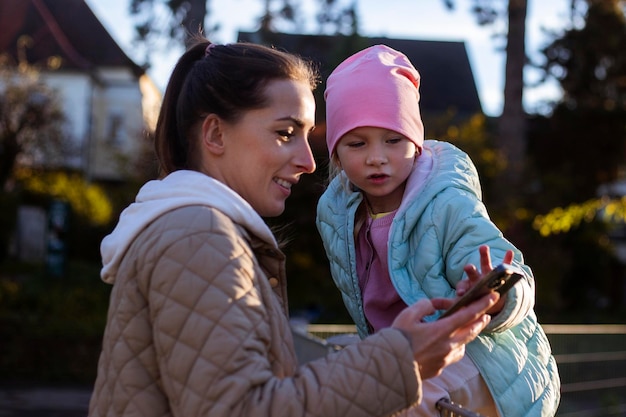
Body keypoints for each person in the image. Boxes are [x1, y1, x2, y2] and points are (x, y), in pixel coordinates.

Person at [88, 38, 502, 417]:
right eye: (285, 133)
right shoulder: (198, 236)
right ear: (215, 133)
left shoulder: (193, 229)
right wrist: (401, 361)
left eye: (307, 137)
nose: (308, 161)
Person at [316, 44, 561, 417]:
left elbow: (513, 273)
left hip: (482, 358)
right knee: (329, 382)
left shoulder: (445, 201)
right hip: (409, 354)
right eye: (356, 143)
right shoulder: (337, 215)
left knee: (391, 403)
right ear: (335, 152)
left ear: (415, 142)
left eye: (393, 140)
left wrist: (492, 293)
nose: (377, 156)